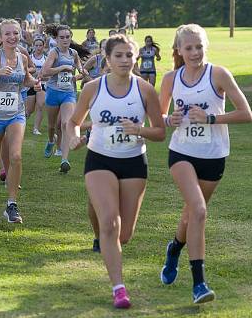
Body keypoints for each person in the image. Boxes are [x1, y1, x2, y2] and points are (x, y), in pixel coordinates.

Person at [69, 34, 166, 309]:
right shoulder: (92, 88)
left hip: (134, 162)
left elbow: (160, 132)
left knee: (124, 234)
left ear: (136, 58)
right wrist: (75, 137)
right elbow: (74, 121)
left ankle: (100, 218)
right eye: (119, 56)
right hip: (99, 159)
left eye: (129, 56)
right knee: (110, 223)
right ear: (107, 59)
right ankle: (119, 289)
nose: (125, 60)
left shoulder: (145, 89)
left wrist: (140, 130)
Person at [158, 24, 252, 304]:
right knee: (198, 210)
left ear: (205, 47)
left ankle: (175, 247)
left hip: (213, 156)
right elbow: (158, 118)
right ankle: (199, 284)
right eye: (189, 48)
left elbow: (246, 113)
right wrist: (168, 120)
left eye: (199, 46)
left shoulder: (218, 74)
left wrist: (211, 119)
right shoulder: (170, 79)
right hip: (182, 153)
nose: (195, 52)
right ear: (179, 50)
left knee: (191, 215)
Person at [0, 19, 37, 222]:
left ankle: (12, 205)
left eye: (15, 33)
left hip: (16, 113)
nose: (12, 37)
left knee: (16, 156)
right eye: (7, 34)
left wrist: (34, 84)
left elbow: (25, 79)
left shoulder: (22, 57)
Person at [40, 25, 88, 172]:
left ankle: (64, 160)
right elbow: (44, 72)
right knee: (51, 126)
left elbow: (81, 72)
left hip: (69, 93)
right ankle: (50, 140)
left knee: (67, 123)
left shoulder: (74, 54)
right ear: (56, 38)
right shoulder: (54, 53)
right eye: (62, 37)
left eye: (68, 37)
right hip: (53, 92)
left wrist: (80, 74)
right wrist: (62, 68)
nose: (65, 40)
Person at [25, 37, 47, 135]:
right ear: (33, 46)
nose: (38, 47)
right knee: (29, 110)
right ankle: (20, 124)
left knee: (40, 105)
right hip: (30, 85)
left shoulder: (46, 59)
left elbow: (49, 74)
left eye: (40, 45)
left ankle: (36, 129)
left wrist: (43, 77)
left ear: (44, 46)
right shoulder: (29, 58)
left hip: (42, 84)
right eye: (36, 45)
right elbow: (24, 72)